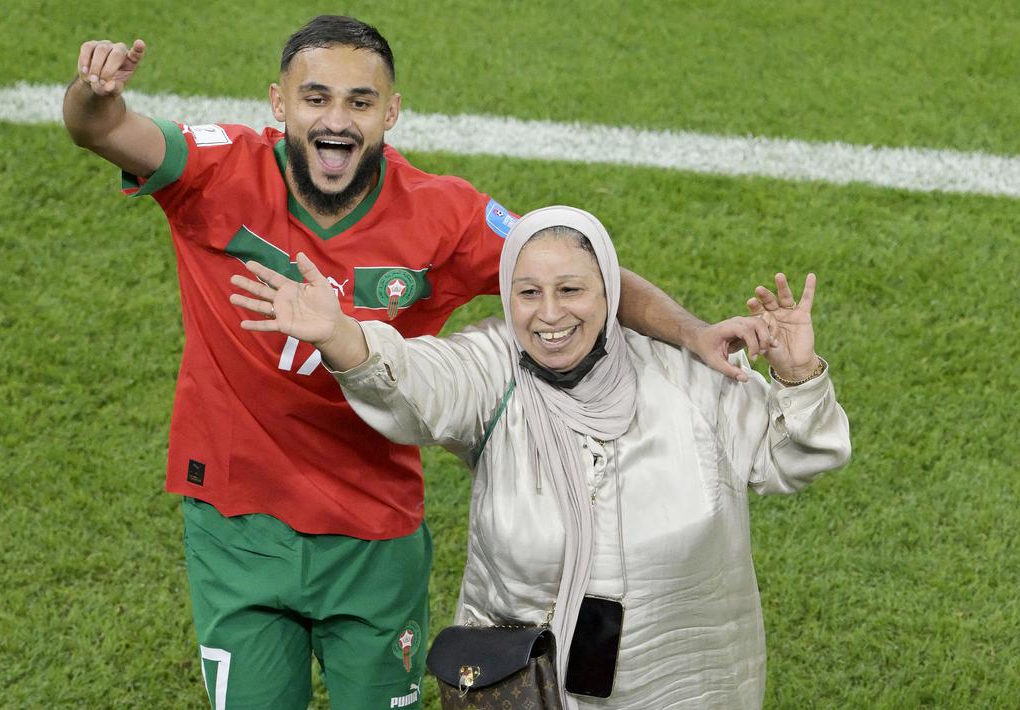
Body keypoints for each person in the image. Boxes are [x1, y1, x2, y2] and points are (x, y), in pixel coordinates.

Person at [64, 15, 770, 709]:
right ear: (278, 104)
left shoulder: (445, 216)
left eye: (359, 101)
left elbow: (575, 271)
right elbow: (100, 129)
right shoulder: (216, 168)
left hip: (372, 532)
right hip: (235, 522)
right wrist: (95, 93)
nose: (336, 120)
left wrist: (690, 331)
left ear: (391, 112)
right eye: (315, 98)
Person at [231, 205, 851, 708]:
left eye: (570, 289)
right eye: (528, 292)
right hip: (527, 686)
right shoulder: (494, 368)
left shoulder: (690, 375)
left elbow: (794, 457)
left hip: (687, 681)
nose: (549, 314)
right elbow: (415, 380)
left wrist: (799, 376)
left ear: (609, 292)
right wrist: (341, 334)